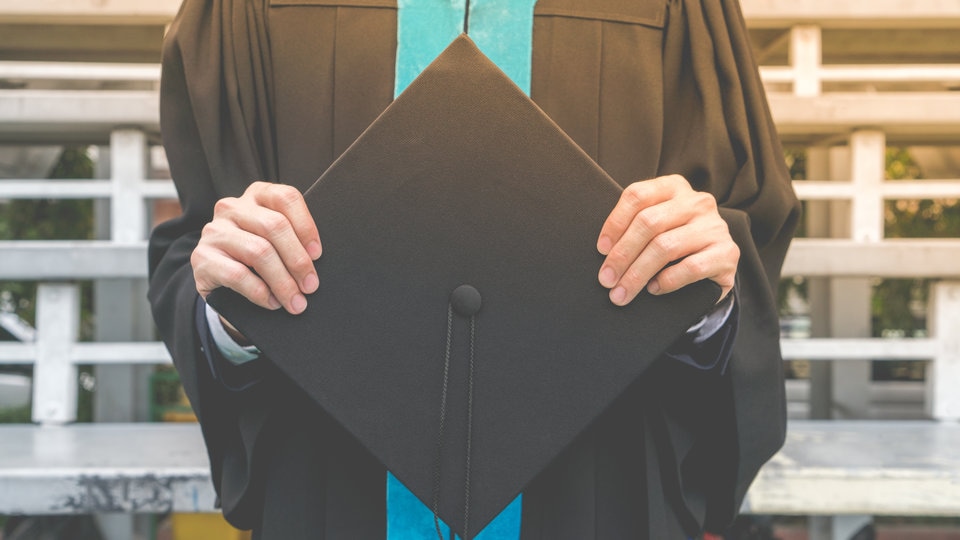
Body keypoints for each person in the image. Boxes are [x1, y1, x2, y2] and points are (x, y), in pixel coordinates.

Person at [148, 0, 800, 538]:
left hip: (598, 495)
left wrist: (701, 295)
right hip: (333, 492)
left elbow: (738, 231)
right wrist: (232, 305)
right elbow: (203, 242)